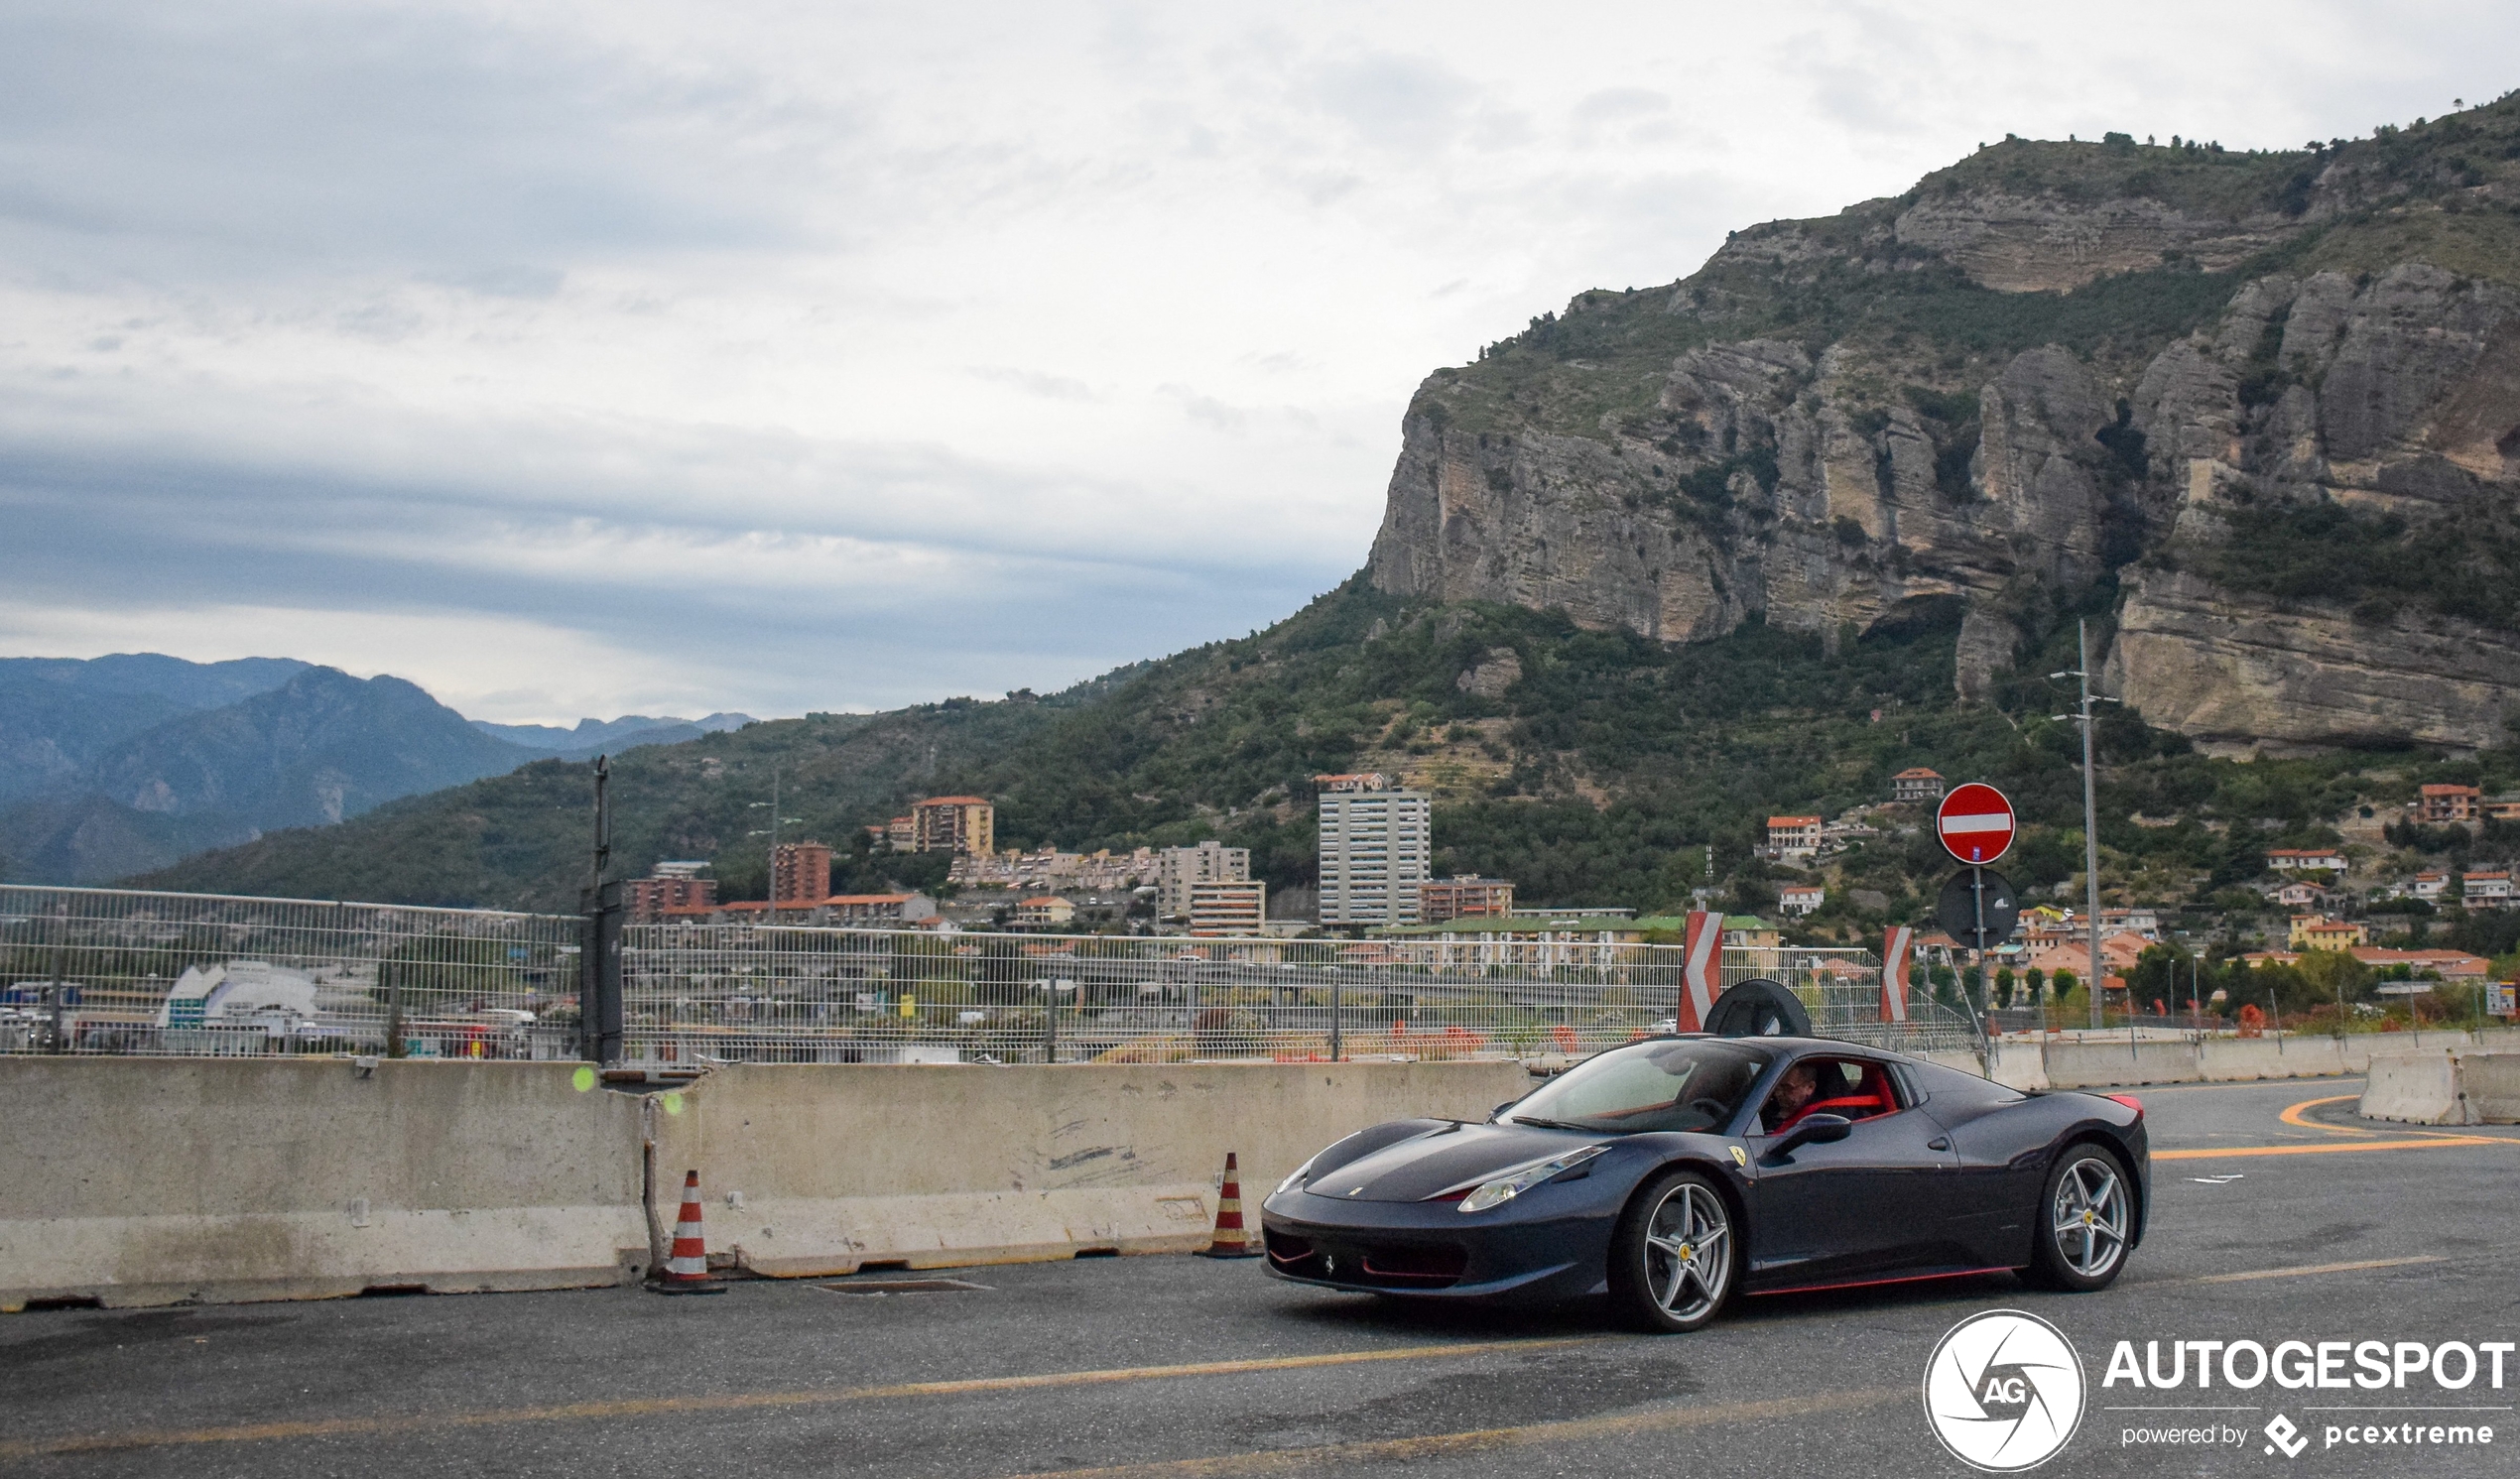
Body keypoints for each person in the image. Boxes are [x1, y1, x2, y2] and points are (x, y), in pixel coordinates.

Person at [1760, 1061, 1819, 1134]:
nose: (1779, 1093)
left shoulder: (1815, 1119)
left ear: (1810, 1087)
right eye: (1776, 1087)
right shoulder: (1767, 1108)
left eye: (1787, 1088)